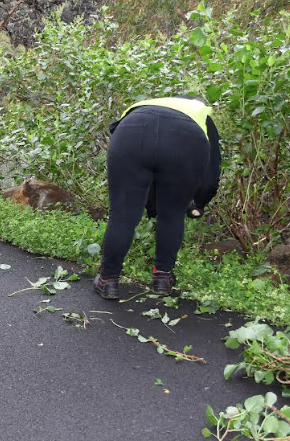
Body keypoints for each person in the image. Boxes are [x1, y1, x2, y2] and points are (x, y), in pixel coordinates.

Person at [93, 96, 221, 300]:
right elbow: (210, 178)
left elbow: (117, 131)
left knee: (123, 214)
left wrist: (149, 205)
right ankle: (162, 278)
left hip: (131, 131)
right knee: (172, 214)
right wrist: (197, 204)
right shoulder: (201, 115)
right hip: (186, 140)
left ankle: (108, 280)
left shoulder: (147, 104)